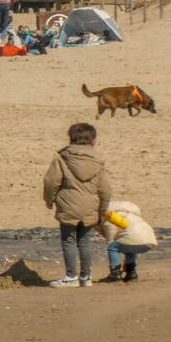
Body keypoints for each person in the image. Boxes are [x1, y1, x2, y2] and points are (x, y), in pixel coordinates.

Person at [43, 122, 111, 288]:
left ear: (71, 139)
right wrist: (102, 211)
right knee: (85, 242)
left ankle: (71, 276)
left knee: (68, 241)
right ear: (93, 141)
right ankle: (86, 277)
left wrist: (49, 200)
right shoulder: (98, 162)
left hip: (68, 206)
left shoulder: (62, 159)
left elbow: (51, 182)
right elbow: (105, 190)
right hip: (90, 208)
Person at [100, 199, 156, 282]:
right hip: (150, 241)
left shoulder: (111, 216)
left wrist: (108, 240)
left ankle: (115, 273)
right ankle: (131, 272)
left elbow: (110, 236)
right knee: (129, 248)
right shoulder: (132, 215)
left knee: (112, 248)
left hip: (135, 238)